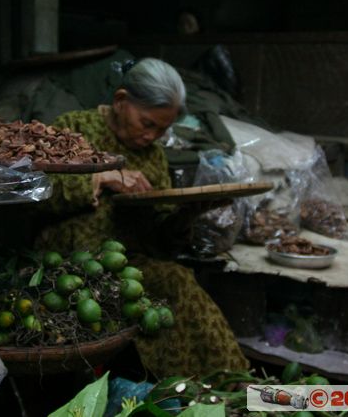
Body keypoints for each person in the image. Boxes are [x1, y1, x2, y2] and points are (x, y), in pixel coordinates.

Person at [36, 57, 249, 378]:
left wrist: (187, 215)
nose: (152, 136)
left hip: (128, 266)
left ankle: (227, 388)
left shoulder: (153, 156)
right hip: (66, 262)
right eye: (147, 123)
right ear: (121, 101)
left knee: (178, 281)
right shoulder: (73, 130)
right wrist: (102, 178)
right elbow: (38, 192)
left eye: (162, 130)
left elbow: (160, 242)